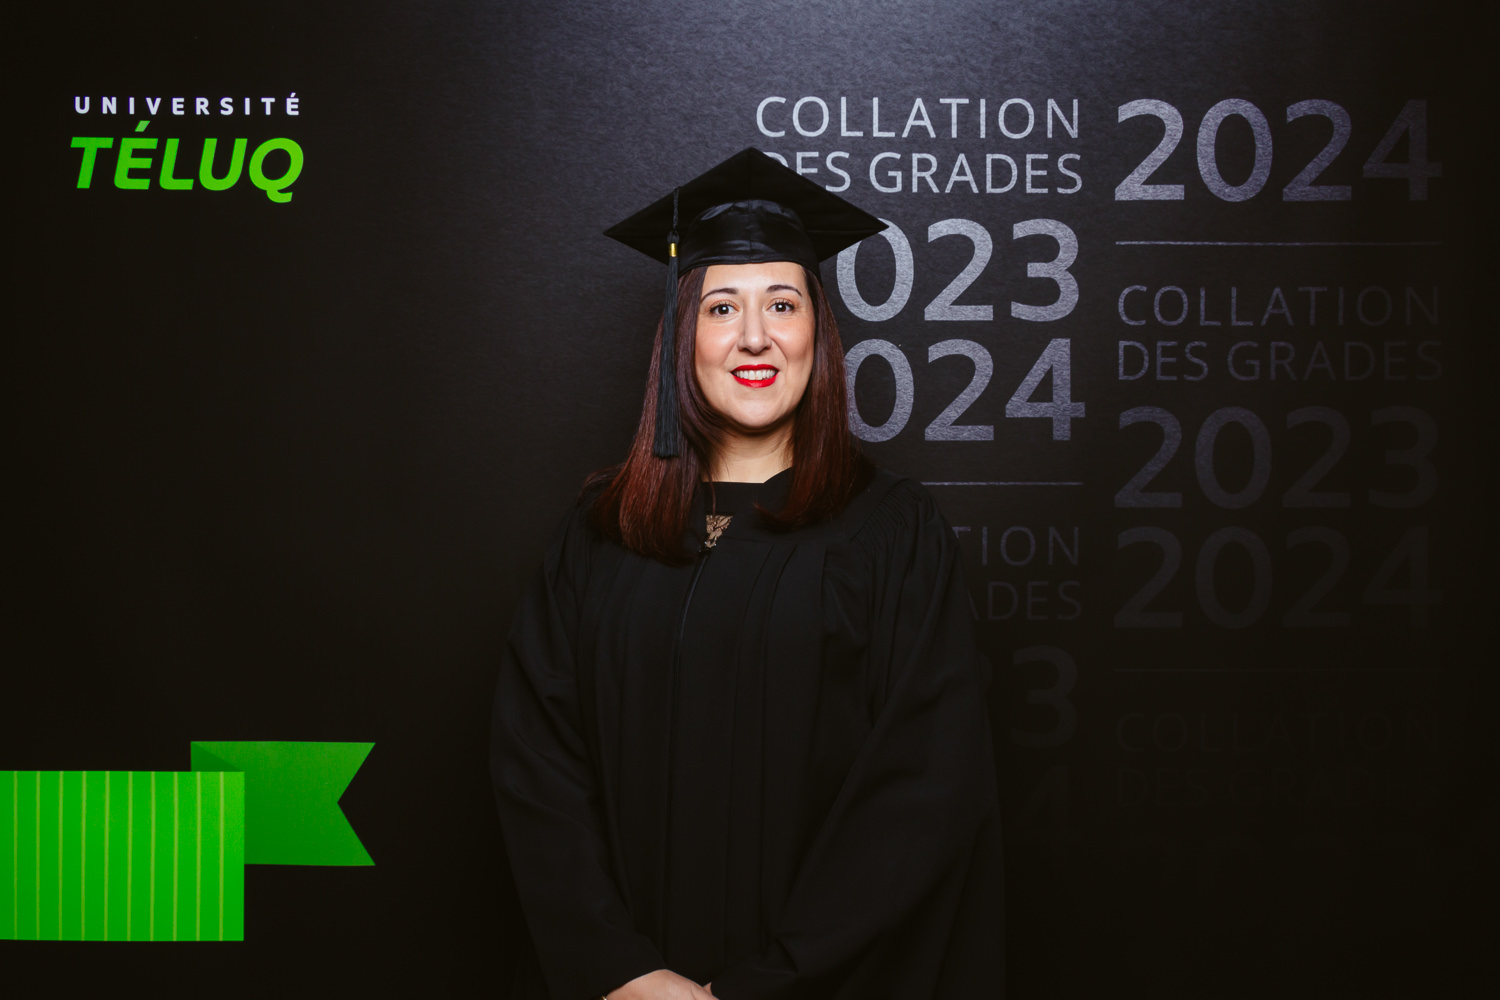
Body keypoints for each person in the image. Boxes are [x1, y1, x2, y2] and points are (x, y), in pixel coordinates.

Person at [491, 148, 1004, 1000]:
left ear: (817, 335)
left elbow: (921, 792)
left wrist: (762, 988)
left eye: (783, 304)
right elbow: (538, 764)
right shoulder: (600, 533)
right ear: (680, 335)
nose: (755, 337)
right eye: (722, 306)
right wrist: (618, 968)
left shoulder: (890, 533)